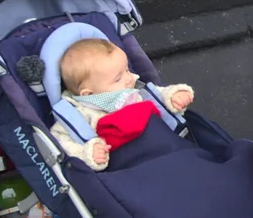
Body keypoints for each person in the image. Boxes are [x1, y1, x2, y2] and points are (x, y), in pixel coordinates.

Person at [52, 38, 193, 170]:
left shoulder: (134, 91)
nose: (129, 78)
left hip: (166, 149)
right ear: (88, 94)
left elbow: (159, 95)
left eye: (126, 70)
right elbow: (59, 140)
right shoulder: (79, 114)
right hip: (128, 166)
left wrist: (174, 95)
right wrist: (87, 153)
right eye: (118, 78)